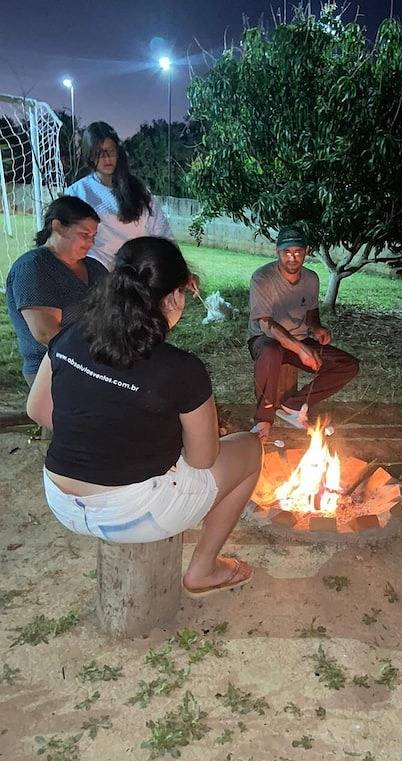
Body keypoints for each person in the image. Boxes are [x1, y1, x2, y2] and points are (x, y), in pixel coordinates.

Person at [26, 236, 262, 597]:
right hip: (134, 515)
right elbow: (202, 460)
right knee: (250, 449)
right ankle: (203, 569)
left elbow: (38, 410)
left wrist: (98, 431)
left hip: (61, 499)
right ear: (174, 298)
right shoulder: (182, 368)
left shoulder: (72, 335)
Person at [248, 225, 359, 441]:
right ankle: (263, 420)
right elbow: (265, 323)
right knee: (271, 351)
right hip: (265, 340)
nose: (292, 258)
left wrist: (317, 328)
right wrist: (300, 349)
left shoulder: (311, 279)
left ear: (306, 251)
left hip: (299, 340)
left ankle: (293, 405)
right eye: (286, 252)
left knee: (348, 365)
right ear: (277, 251)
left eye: (297, 252)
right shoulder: (262, 278)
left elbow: (311, 313)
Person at [6, 196, 106, 386]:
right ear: (58, 226)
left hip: (98, 365)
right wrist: (99, 356)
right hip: (52, 369)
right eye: (85, 235)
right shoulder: (34, 267)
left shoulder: (95, 268)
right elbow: (46, 333)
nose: (91, 243)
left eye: (93, 236)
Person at [66, 122, 172, 271]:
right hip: (98, 271)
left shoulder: (138, 189)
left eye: (111, 151)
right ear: (89, 155)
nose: (106, 158)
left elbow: (162, 231)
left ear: (118, 151)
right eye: (98, 153)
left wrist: (179, 268)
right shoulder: (77, 193)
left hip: (138, 270)